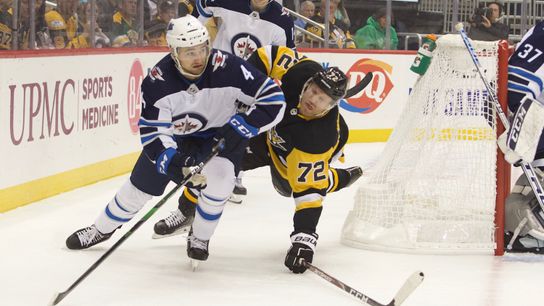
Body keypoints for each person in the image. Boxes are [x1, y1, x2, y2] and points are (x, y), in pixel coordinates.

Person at [65, 15, 286, 265]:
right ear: (173, 52)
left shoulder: (230, 68)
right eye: (189, 52)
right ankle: (100, 229)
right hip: (176, 140)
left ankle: (200, 237)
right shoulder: (157, 82)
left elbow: (274, 99)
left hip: (219, 138)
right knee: (137, 189)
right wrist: (175, 162)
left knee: (222, 182)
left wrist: (244, 125)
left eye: (202, 49)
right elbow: (154, 133)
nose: (199, 58)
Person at [153, 45, 363, 274]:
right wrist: (245, 93)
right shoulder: (300, 72)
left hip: (293, 153)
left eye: (322, 99)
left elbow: (308, 192)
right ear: (309, 82)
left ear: (332, 106)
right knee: (216, 160)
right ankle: (186, 211)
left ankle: (339, 178)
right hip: (266, 135)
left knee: (296, 185)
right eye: (313, 91)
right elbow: (268, 55)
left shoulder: (318, 138)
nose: (312, 99)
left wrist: (303, 240)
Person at [499, 21, 544, 253]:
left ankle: (522, 222)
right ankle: (530, 228)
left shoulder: (538, 29)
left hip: (520, 115)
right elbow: (518, 90)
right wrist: (524, 129)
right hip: (525, 118)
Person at [196, 0, 295, 59]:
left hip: (256, 82)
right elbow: (202, 7)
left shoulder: (284, 21)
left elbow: (286, 59)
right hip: (219, 69)